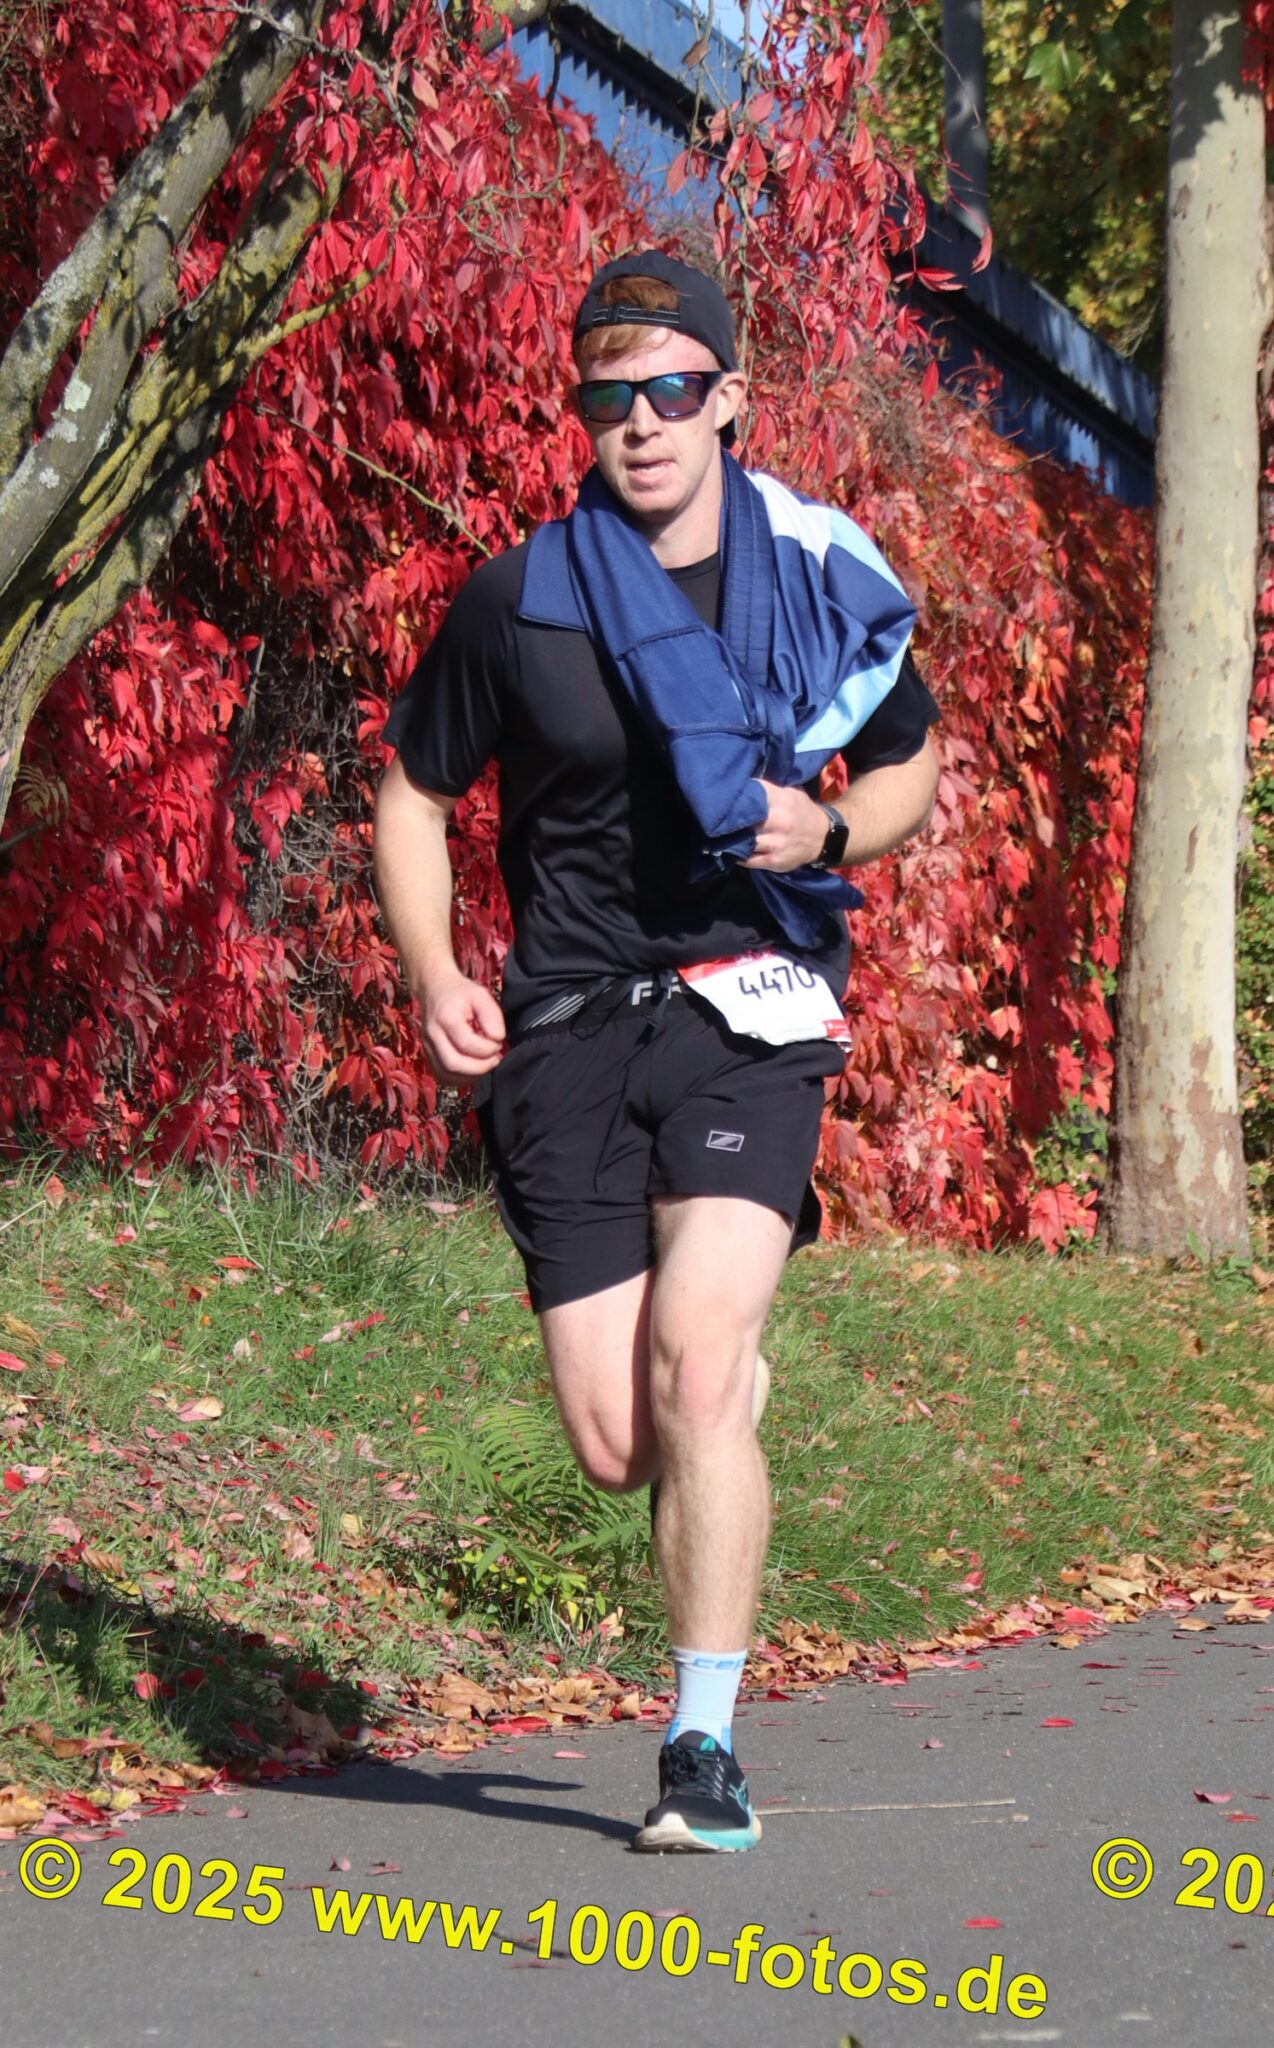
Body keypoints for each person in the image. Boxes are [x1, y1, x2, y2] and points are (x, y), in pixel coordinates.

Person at [373, 250, 942, 1853]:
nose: (640, 423)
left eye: (672, 391)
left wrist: (826, 826)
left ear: (727, 400)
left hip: (748, 1003)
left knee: (693, 1364)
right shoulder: (521, 597)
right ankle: (716, 1387)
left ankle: (702, 1748)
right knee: (621, 1442)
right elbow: (413, 794)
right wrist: (435, 969)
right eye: (609, 397)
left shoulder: (811, 568)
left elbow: (908, 762)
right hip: (565, 1019)